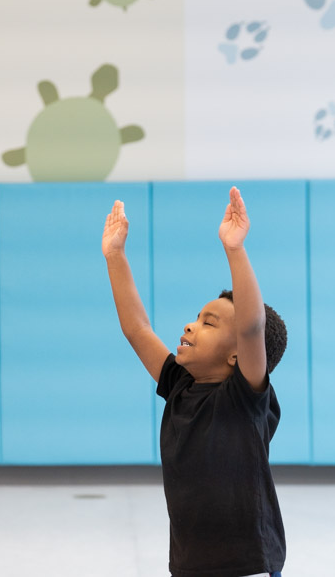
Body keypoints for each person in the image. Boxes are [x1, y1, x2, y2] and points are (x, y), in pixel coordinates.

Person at [101, 187, 287, 577]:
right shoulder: (180, 386)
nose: (190, 324)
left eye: (209, 322)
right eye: (197, 316)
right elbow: (136, 328)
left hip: (246, 566)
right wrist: (115, 256)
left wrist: (235, 249)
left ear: (237, 354)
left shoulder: (243, 399)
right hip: (190, 566)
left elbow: (252, 327)